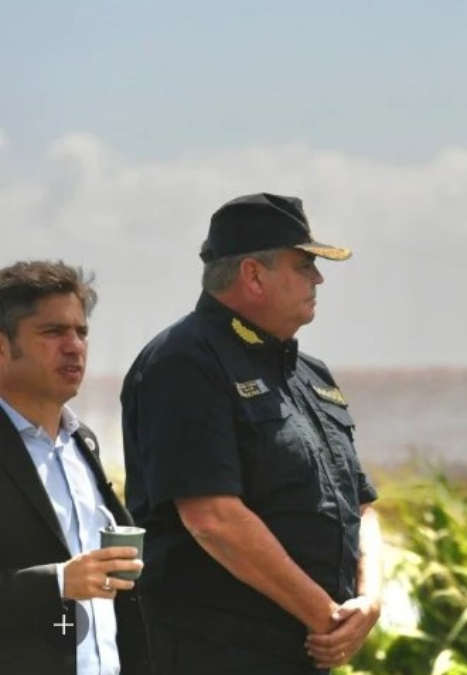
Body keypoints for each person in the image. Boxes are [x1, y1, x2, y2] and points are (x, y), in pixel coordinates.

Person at [120, 193, 383, 674]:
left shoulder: (312, 374)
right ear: (253, 275)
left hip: (304, 651)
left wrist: (370, 601)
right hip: (217, 653)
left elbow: (360, 504)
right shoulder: (185, 362)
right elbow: (212, 518)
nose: (318, 278)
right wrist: (325, 617)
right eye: (304, 265)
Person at [0, 261, 151, 675]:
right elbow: (65, 579)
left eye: (81, 331)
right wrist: (57, 583)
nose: (75, 346)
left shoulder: (81, 442)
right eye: (53, 332)